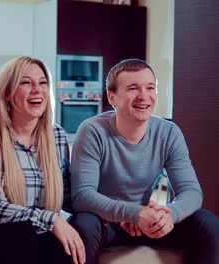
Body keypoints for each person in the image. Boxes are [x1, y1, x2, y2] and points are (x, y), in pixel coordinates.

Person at [70, 58, 219, 264]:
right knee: (83, 223)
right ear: (112, 97)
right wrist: (134, 214)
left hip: (151, 223)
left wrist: (170, 215)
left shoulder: (169, 132)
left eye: (150, 87)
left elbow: (191, 191)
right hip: (109, 225)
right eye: (133, 88)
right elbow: (82, 196)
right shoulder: (92, 131)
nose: (144, 96)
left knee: (207, 222)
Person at [0, 56, 86, 264]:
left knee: (67, 244)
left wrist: (111, 209)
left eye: (43, 83)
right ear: (8, 93)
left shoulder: (57, 136)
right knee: (23, 235)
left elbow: (69, 196)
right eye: (26, 82)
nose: (37, 89)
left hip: (37, 233)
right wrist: (52, 219)